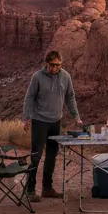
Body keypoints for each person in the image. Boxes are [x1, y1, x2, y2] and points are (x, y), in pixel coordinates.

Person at [22, 49, 82, 202]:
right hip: (40, 121)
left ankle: (47, 188)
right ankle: (30, 189)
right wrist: (26, 118)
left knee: (52, 156)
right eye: (53, 65)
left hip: (56, 122)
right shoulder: (37, 77)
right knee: (36, 155)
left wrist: (76, 116)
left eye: (58, 65)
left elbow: (70, 97)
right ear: (46, 64)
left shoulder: (65, 76)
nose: (55, 68)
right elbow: (29, 98)